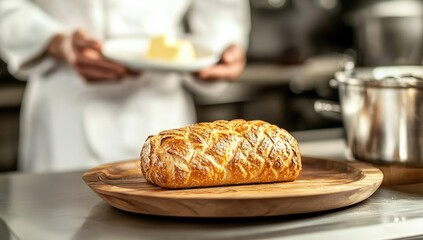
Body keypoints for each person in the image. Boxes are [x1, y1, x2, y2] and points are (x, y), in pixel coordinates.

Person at [0, 1, 250, 172]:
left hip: (162, 109)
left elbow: (222, 13)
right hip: (66, 110)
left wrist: (220, 49)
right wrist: (53, 41)